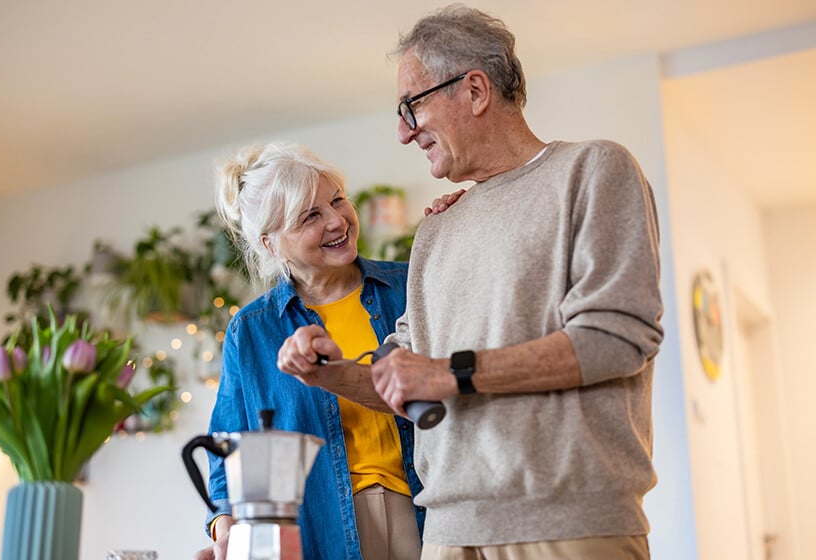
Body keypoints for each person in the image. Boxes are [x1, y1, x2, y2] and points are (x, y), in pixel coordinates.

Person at [277, 4, 664, 560]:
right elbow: (407, 382)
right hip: (448, 534)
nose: (404, 133)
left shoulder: (595, 170)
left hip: (569, 522)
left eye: (411, 107)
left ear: (476, 90)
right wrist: (330, 373)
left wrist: (448, 372)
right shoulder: (437, 228)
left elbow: (616, 341)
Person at [194, 141, 427, 560]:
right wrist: (224, 525)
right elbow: (228, 448)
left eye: (338, 200)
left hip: (426, 514)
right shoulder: (251, 331)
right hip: (322, 531)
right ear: (271, 244)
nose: (337, 221)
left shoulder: (411, 287)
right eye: (311, 216)